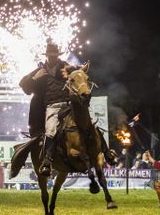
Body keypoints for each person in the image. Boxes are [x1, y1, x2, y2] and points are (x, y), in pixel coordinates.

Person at [19, 41, 115, 176]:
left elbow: (79, 72)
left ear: (58, 55)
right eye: (51, 55)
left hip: (68, 105)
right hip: (52, 107)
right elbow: (24, 85)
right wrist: (34, 79)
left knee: (90, 123)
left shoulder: (66, 67)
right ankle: (47, 161)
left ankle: (107, 152)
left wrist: (82, 68)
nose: (53, 57)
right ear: (47, 56)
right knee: (51, 130)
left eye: (55, 55)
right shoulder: (40, 71)